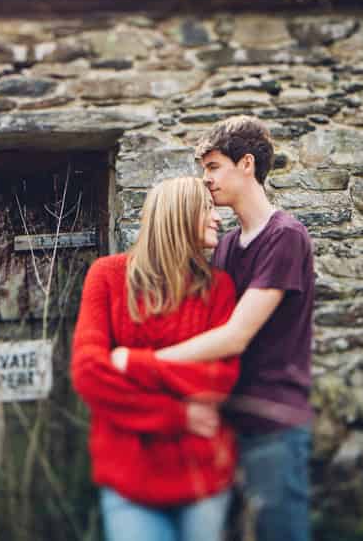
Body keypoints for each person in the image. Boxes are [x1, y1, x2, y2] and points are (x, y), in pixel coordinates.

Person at [112, 115, 316, 541]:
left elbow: (237, 334)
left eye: (213, 166)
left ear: (246, 165)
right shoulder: (225, 246)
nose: (206, 179)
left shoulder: (285, 236)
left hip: (271, 423)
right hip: (220, 426)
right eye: (204, 169)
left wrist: (144, 363)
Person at [71, 176, 240, 541]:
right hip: (130, 477)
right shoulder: (107, 276)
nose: (218, 219)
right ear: (178, 215)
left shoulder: (219, 288)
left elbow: (219, 380)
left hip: (203, 478)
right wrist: (177, 414)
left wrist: (133, 364)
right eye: (207, 209)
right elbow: (88, 372)